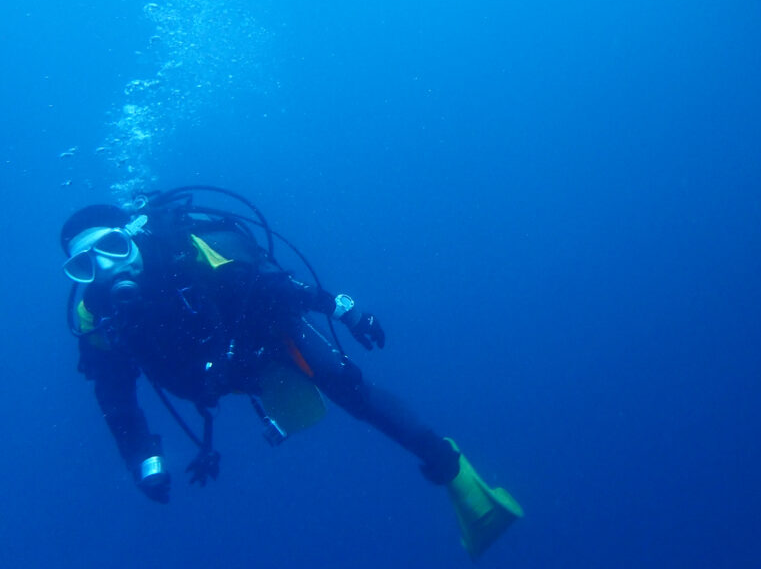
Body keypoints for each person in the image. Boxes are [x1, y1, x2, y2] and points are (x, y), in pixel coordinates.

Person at [61, 186, 521, 559]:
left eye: (113, 246)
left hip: (269, 329)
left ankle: (448, 465)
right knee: (310, 390)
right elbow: (116, 401)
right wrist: (144, 462)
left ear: (133, 237)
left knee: (348, 388)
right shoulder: (97, 320)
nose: (107, 267)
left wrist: (346, 311)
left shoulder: (182, 253)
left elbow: (271, 286)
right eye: (85, 264)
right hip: (220, 374)